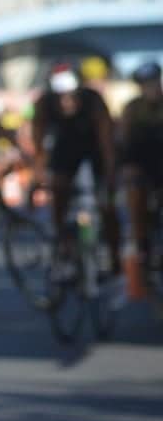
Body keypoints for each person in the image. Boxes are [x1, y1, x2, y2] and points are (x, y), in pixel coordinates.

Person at [31, 61, 121, 278]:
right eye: (60, 97)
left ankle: (114, 256)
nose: (66, 102)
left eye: (70, 96)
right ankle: (62, 246)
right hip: (64, 153)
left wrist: (109, 174)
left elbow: (106, 141)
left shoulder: (93, 101)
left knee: (106, 205)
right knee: (59, 195)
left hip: (93, 151)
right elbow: (39, 140)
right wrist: (39, 173)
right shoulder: (44, 103)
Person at [120, 61, 163, 276]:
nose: (153, 88)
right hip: (141, 165)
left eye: (155, 82)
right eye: (147, 84)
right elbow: (125, 144)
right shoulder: (133, 109)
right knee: (136, 197)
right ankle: (142, 245)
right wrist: (129, 168)